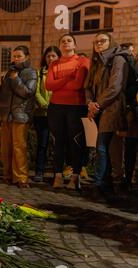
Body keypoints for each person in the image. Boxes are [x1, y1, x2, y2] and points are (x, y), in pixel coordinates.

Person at [85, 32, 129, 197]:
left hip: (113, 108)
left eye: (102, 41)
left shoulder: (118, 59)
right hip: (99, 109)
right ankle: (109, 182)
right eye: (95, 42)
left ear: (110, 42)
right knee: (110, 146)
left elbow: (115, 87)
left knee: (102, 145)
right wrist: (90, 102)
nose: (98, 44)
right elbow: (88, 86)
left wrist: (96, 105)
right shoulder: (96, 62)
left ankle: (100, 183)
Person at [46, 34, 90, 190]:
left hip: (76, 106)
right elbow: (48, 85)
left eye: (69, 41)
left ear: (75, 45)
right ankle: (57, 175)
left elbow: (78, 85)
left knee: (75, 142)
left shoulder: (82, 61)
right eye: (62, 41)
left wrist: (60, 83)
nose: (65, 43)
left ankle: (75, 176)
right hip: (56, 107)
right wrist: (68, 77)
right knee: (59, 142)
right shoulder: (54, 64)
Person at [0, 46, 37, 188]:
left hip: (21, 114)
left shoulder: (31, 72)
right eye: (14, 56)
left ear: (27, 57)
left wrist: (15, 79)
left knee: (19, 147)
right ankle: (7, 174)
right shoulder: (10, 73)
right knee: (5, 148)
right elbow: (2, 95)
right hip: (7, 116)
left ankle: (21, 177)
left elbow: (28, 92)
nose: (15, 59)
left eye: (19, 56)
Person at [33, 46, 62, 182]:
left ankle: (58, 172)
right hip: (42, 114)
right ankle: (39, 170)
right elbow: (36, 92)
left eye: (53, 56)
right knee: (42, 144)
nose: (51, 58)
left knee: (59, 144)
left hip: (58, 113)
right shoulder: (40, 73)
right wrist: (45, 104)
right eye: (48, 56)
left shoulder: (62, 72)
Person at [120, 42, 138, 193]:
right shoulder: (132, 64)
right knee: (131, 146)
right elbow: (128, 86)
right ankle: (127, 179)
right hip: (134, 109)